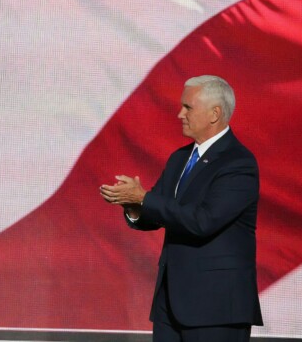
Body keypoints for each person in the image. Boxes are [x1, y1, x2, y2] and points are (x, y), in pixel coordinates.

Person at [100, 75, 263, 342]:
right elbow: (158, 212)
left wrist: (144, 198)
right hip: (170, 304)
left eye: (188, 107)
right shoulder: (180, 158)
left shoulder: (238, 163)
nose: (179, 114)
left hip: (216, 308)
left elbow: (204, 221)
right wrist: (134, 206)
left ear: (215, 114)